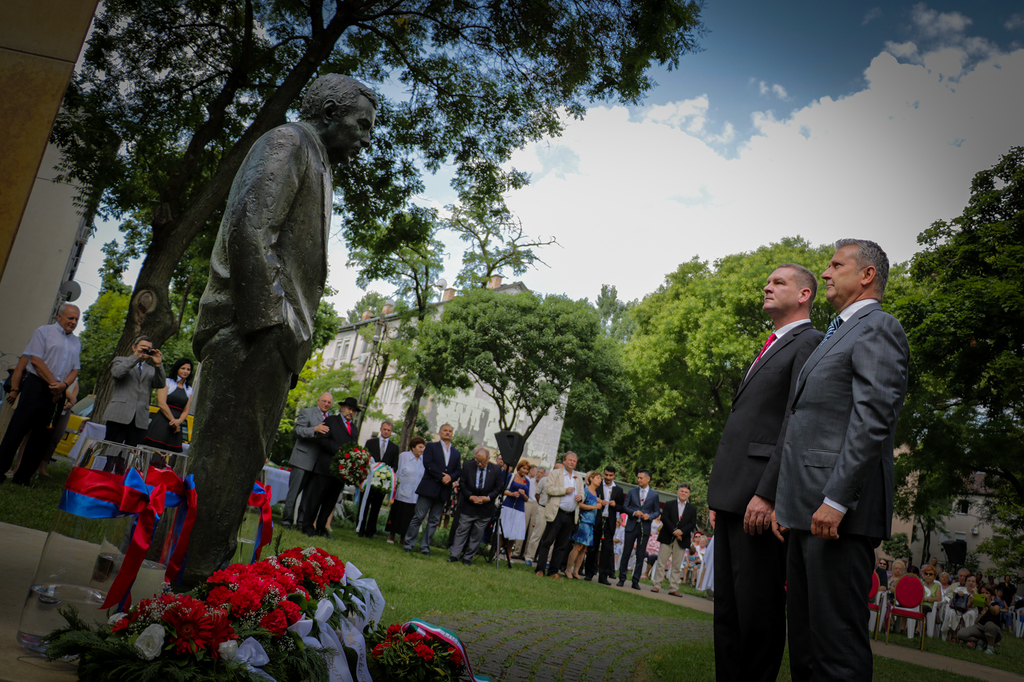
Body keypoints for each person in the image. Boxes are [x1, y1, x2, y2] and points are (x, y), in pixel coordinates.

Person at [184, 74, 377, 582]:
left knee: (235, 473)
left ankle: (199, 592)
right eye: (361, 124)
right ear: (330, 111)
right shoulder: (289, 141)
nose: (366, 136)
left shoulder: (318, 160)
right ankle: (185, 599)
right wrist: (274, 325)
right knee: (220, 472)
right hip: (251, 333)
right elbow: (252, 227)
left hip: (271, 343)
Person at [775, 239, 910, 682]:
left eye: (836, 265)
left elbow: (873, 419)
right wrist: (785, 499)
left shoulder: (878, 326)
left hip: (838, 514)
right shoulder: (837, 330)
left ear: (867, 275)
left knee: (836, 649)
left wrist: (836, 498)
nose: (826, 273)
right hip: (805, 509)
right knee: (808, 646)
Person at [706, 262, 823, 682]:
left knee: (758, 613)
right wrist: (721, 496)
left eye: (778, 282)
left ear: (804, 294)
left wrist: (768, 492)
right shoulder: (771, 344)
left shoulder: (810, 343)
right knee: (729, 612)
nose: (767, 286)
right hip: (734, 496)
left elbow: (797, 422)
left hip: (760, 500)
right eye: (768, 280)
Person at [0, 304, 81, 486]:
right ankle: (0, 470)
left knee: (42, 436)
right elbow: (36, 360)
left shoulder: (76, 342)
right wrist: (54, 384)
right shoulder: (43, 332)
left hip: (58, 393)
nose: (74, 322)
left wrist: (63, 386)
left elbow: (75, 369)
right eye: (70, 318)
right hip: (36, 387)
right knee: (17, 429)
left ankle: (23, 478)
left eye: (76, 319)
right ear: (59, 316)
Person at [301, 396, 360, 538]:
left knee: (330, 501)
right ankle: (307, 526)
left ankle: (322, 528)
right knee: (316, 498)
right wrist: (338, 450)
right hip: (325, 468)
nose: (350, 412)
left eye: (353, 410)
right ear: (342, 408)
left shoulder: (354, 428)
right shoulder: (331, 421)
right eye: (348, 409)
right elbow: (322, 439)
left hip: (340, 472)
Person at [404, 424, 461, 555]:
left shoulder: (456, 453)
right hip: (429, 488)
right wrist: (441, 477)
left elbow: (458, 470)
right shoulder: (431, 446)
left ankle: (425, 547)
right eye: (445, 431)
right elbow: (428, 463)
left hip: (444, 490)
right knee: (418, 517)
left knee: (434, 521)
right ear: (440, 432)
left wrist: (450, 478)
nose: (448, 433)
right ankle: (409, 544)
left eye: (450, 431)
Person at [281, 393, 333, 527]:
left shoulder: (332, 419)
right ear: (318, 401)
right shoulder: (307, 412)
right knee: (294, 493)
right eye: (324, 401)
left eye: (329, 402)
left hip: (317, 464)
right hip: (302, 459)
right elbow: (297, 431)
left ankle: (301, 523)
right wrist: (314, 429)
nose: (326, 404)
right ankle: (286, 521)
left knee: (308, 497)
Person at [105, 336, 166, 446]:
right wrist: (136, 357)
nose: (145, 350)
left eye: (149, 348)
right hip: (119, 415)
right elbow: (117, 373)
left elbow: (161, 384)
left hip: (140, 420)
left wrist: (158, 364)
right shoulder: (120, 360)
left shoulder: (151, 369)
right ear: (134, 347)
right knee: (111, 451)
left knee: (130, 455)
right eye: (143, 347)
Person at [447, 447, 501, 565]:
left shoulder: (496, 469)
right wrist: (470, 496)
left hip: (485, 508)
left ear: (489, 459)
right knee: (461, 531)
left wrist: (487, 498)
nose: (480, 464)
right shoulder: (468, 466)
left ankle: (468, 557)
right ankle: (454, 555)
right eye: (478, 461)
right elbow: (463, 483)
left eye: (483, 462)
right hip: (469, 505)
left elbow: (498, 488)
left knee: (477, 534)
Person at [535, 452, 584, 579]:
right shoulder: (556, 473)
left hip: (570, 515)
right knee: (547, 542)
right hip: (557, 512)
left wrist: (580, 497)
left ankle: (553, 571)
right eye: (570, 460)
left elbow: (582, 494)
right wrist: (564, 490)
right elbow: (548, 489)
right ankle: (540, 569)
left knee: (561, 545)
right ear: (564, 461)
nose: (572, 462)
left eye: (574, 461)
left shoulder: (578, 477)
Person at [617, 469, 662, 589]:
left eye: (641, 478)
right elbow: (625, 507)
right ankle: (622, 578)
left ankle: (635, 581)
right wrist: (633, 512)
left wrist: (650, 516)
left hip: (645, 528)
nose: (639, 480)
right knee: (626, 552)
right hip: (632, 526)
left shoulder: (654, 495)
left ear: (648, 479)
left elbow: (657, 511)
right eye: (638, 478)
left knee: (640, 555)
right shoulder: (632, 491)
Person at [651, 484, 698, 597]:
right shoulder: (669, 504)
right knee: (661, 562)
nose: (683, 493)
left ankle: (673, 588)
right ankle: (657, 585)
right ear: (678, 492)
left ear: (689, 494)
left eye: (686, 492)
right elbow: (665, 518)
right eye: (681, 491)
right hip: (667, 536)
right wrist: (675, 531)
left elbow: (692, 524)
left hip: (682, 539)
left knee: (677, 565)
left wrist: (681, 532)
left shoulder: (692, 509)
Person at [357, 420, 400, 538]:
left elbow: (395, 465)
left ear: (391, 432)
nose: (386, 432)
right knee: (364, 504)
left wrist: (388, 472)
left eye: (389, 430)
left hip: (382, 483)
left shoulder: (394, 448)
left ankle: (370, 531)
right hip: (368, 480)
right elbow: (364, 458)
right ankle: (360, 528)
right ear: (381, 429)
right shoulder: (371, 443)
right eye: (384, 429)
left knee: (376, 507)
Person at [142, 358, 193, 453]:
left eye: (188, 369)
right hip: (162, 420)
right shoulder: (167, 382)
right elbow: (162, 404)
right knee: (152, 451)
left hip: (176, 426)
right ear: (177, 368)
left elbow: (186, 410)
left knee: (168, 457)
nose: (185, 371)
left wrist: (178, 422)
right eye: (183, 368)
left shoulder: (189, 389)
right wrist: (173, 421)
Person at [585, 466, 625, 584]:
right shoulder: (597, 485)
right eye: (606, 475)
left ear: (614, 476)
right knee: (593, 547)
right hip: (596, 518)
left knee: (607, 549)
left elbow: (621, 507)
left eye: (610, 475)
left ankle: (603, 576)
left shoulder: (618, 490)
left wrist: (615, 504)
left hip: (609, 521)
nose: (608, 478)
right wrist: (598, 501)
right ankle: (589, 573)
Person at [385, 436, 426, 543]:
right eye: (420, 447)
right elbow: (397, 473)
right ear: (413, 447)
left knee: (408, 517)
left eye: (423, 447)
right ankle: (392, 535)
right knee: (397, 514)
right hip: (402, 492)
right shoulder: (404, 456)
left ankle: (403, 537)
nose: (422, 449)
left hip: (415, 495)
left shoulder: (423, 460)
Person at [566, 471, 602, 579]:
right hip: (583, 521)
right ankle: (568, 570)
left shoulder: (596, 494)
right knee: (578, 546)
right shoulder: (585, 491)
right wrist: (594, 507)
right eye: (598, 478)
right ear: (591, 479)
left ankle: (576, 571)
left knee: (584, 549)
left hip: (591, 523)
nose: (600, 480)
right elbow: (580, 504)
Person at [499, 459, 532, 565]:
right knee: (502, 530)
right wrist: (512, 494)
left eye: (527, 469)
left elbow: (527, 499)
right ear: (519, 468)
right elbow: (502, 489)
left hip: (519, 508)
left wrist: (524, 495)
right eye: (524, 468)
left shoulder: (527, 481)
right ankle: (497, 552)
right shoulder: (511, 476)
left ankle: (509, 554)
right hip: (508, 505)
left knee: (513, 533)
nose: (525, 471)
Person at [957, 586, 1002, 654]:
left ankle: (990, 647)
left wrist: (988, 605)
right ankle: (980, 641)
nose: (984, 594)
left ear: (991, 595)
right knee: (961, 634)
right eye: (982, 593)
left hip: (993, 631)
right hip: (980, 628)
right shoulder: (980, 603)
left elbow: (996, 612)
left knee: (989, 625)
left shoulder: (995, 604)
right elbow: (970, 606)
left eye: (987, 593)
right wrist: (970, 601)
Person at [513, 466, 543, 560]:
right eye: (538, 472)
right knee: (522, 527)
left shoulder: (544, 483)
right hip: (528, 503)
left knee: (532, 531)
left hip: (538, 505)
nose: (539, 474)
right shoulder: (530, 481)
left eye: (541, 473)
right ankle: (517, 551)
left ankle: (527, 554)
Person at [524, 467, 551, 567]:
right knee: (536, 534)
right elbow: (537, 494)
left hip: (555, 511)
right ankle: (529, 557)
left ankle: (547, 560)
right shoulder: (544, 480)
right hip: (543, 508)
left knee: (551, 537)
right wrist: (541, 504)